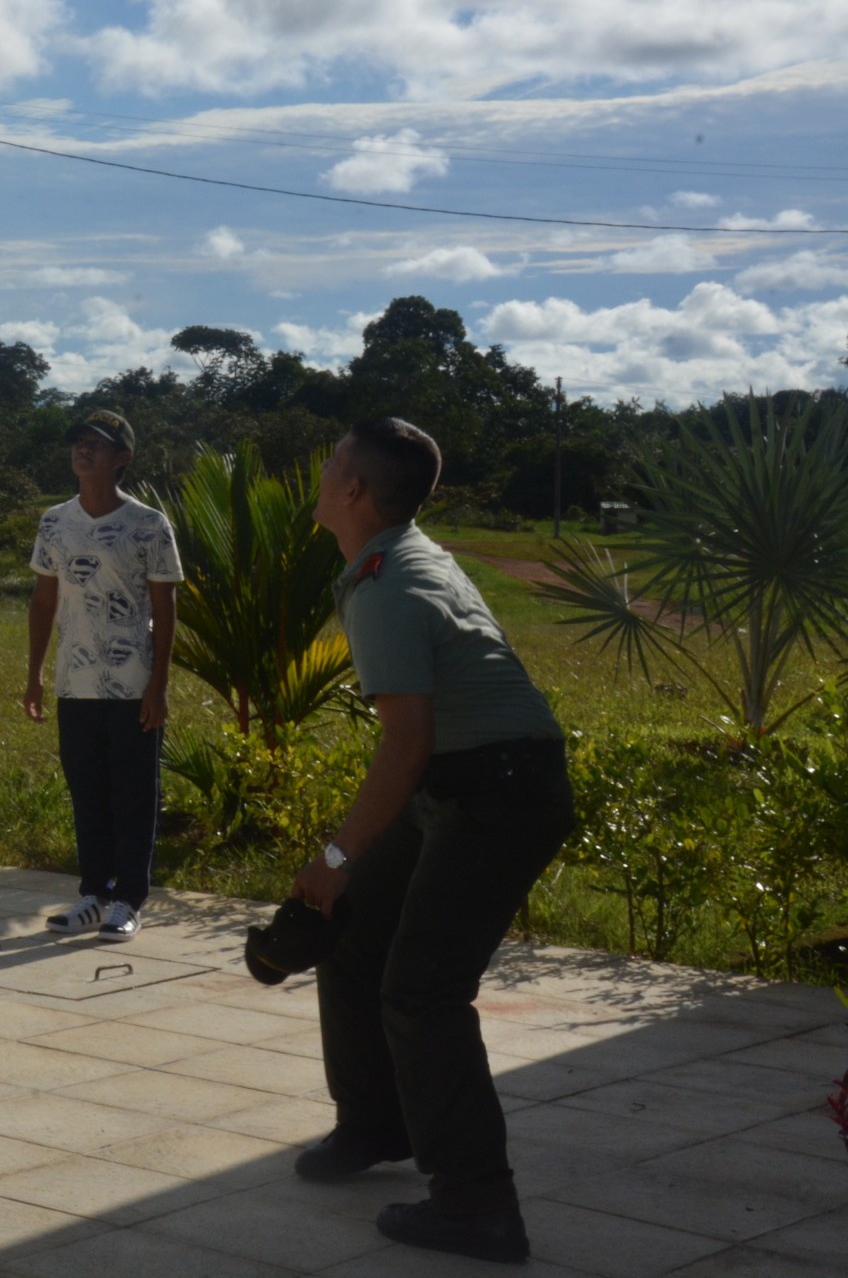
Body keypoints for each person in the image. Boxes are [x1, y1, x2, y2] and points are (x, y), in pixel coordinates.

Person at [293, 417, 574, 1266]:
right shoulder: (403, 550)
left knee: (421, 993)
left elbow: (404, 741)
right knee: (350, 933)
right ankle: (376, 1127)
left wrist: (336, 856)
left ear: (354, 492)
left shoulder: (387, 586)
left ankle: (478, 1207)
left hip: (499, 795)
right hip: (458, 784)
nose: (323, 469)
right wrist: (344, 876)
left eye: (333, 461)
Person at [22, 409, 182, 943]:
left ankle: (128, 900)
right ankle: (93, 896)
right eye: (79, 442)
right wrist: (35, 673)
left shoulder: (149, 525)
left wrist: (158, 686)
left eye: (98, 444)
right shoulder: (54, 522)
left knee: (134, 793)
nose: (84, 451)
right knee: (86, 790)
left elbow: (166, 606)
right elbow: (43, 601)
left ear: (123, 458)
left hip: (132, 682)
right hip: (75, 682)